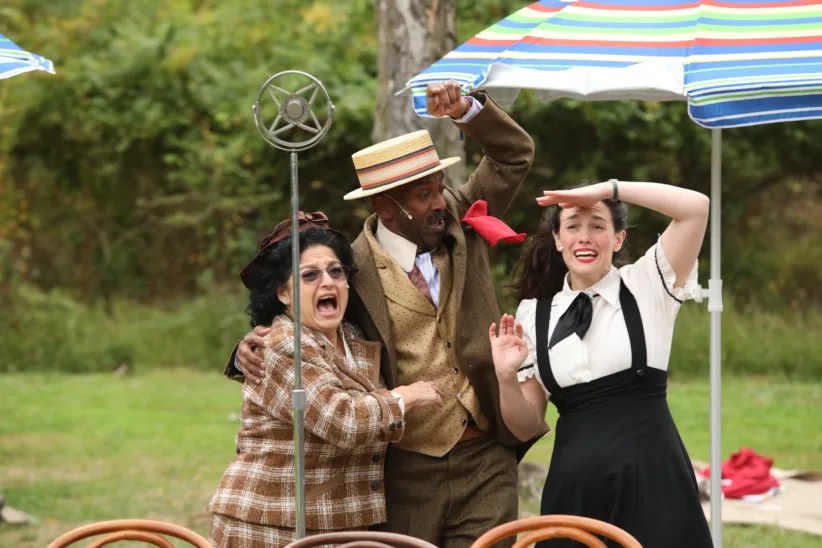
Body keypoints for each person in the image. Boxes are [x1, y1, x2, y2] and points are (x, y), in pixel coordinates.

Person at [230, 81, 538, 546]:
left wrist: (468, 111)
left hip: (487, 456)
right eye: (423, 195)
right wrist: (243, 347)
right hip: (404, 468)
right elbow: (300, 328)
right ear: (386, 208)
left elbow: (514, 155)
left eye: (439, 188)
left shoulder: (455, 219)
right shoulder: (346, 270)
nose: (439, 201)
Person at [488, 180, 714, 547]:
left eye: (597, 225)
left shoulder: (648, 285)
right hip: (575, 491)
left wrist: (610, 189)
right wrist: (505, 376)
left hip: (654, 483)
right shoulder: (533, 315)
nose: (585, 237)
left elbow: (695, 208)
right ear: (558, 239)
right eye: (573, 226)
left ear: (619, 238)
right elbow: (526, 424)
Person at [209, 212, 440, 547]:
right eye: (309, 275)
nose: (328, 282)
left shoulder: (354, 335)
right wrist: (406, 397)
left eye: (336, 271)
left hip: (340, 523)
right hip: (271, 524)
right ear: (283, 294)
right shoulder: (281, 343)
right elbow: (342, 420)